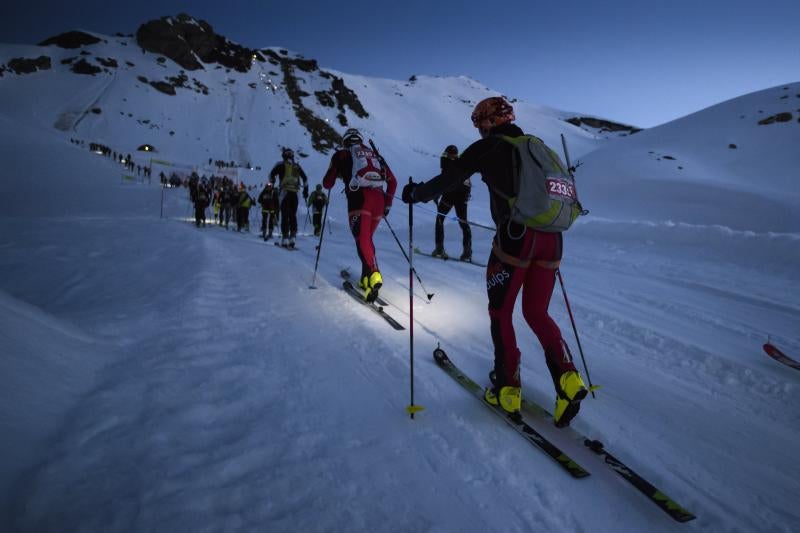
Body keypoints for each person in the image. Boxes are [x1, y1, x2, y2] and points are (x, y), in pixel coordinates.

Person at [401, 96, 587, 427]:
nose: (478, 130)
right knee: (537, 312)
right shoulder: (536, 145)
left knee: (500, 312)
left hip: (516, 238)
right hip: (552, 239)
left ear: (488, 122)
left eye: (479, 123)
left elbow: (447, 181)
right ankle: (568, 379)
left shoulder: (489, 147)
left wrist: (414, 193)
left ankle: (507, 388)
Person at [322, 128, 397, 302]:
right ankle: (366, 279)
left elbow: (327, 184)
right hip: (378, 201)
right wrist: (388, 204)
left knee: (362, 238)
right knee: (365, 240)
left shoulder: (341, 154)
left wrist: (338, 172)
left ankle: (374, 273)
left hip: (359, 200)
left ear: (345, 142)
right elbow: (393, 182)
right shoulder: (374, 155)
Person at [432, 144, 472, 261]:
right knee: (463, 222)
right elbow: (467, 181)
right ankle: (467, 252)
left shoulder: (445, 162)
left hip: (449, 195)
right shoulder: (462, 163)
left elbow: (443, 181)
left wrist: (436, 194)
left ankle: (439, 248)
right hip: (462, 196)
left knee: (440, 218)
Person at [270, 148, 309, 248]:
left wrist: (272, 183)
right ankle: (293, 237)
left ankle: (285, 238)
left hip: (284, 192)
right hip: (295, 193)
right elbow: (305, 178)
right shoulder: (296, 166)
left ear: (283, 156)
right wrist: (305, 191)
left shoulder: (280, 164)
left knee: (285, 215)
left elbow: (271, 175)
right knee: (293, 215)